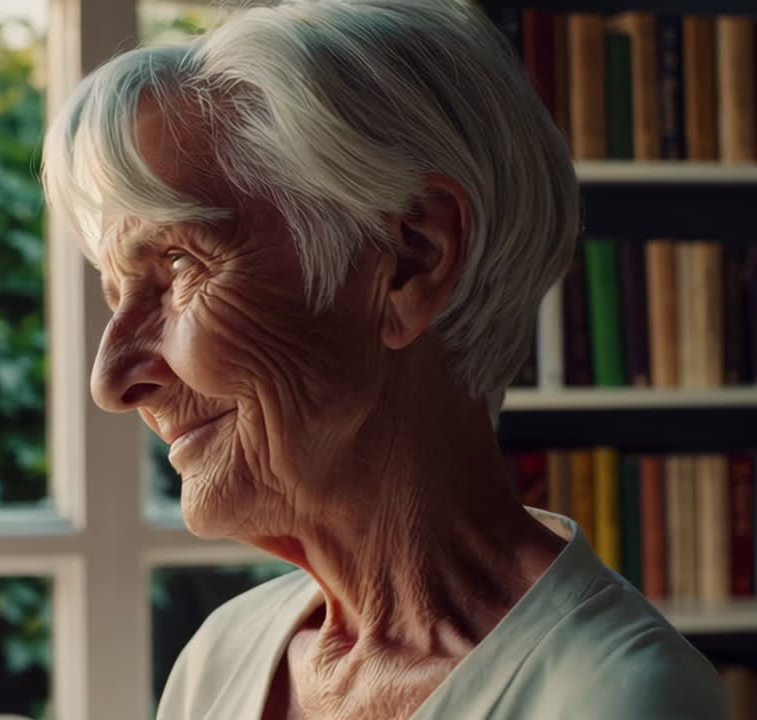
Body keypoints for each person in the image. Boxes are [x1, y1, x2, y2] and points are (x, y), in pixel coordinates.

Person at [42, 0, 729, 718]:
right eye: (117, 293)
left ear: (410, 260)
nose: (109, 380)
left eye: (181, 263)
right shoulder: (220, 657)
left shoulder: (617, 697)